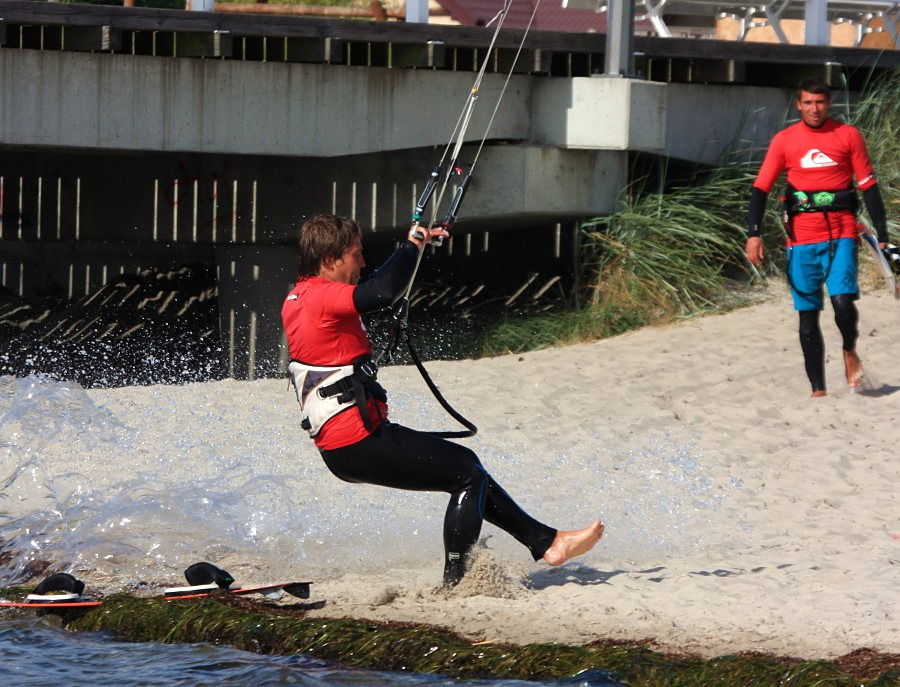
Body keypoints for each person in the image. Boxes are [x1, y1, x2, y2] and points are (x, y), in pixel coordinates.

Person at [281, 213, 604, 587]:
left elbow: (375, 286)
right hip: (357, 438)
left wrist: (410, 250)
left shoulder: (300, 296)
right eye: (356, 255)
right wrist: (414, 244)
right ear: (329, 260)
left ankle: (547, 542)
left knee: (471, 472)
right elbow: (383, 289)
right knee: (466, 472)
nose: (363, 262)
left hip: (346, 444)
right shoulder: (321, 297)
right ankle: (457, 580)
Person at [745, 77, 890, 397]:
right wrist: (753, 234)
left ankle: (849, 350)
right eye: (808, 102)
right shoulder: (785, 141)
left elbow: (869, 187)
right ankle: (817, 390)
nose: (814, 108)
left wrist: (882, 235)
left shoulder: (848, 135)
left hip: (841, 234)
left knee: (842, 302)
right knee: (808, 314)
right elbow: (760, 190)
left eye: (820, 102)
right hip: (801, 240)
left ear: (830, 102)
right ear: (798, 104)